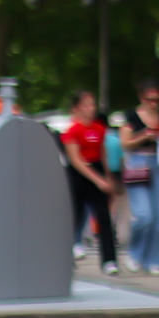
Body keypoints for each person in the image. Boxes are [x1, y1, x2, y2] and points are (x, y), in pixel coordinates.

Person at [58, 90, 120, 275]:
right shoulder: (72, 131)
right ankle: (64, 257)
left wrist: (107, 176)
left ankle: (109, 260)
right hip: (79, 174)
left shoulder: (99, 128)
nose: (90, 109)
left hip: (97, 168)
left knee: (103, 217)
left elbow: (102, 153)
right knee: (74, 217)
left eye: (92, 105)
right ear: (76, 108)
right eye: (86, 105)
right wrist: (97, 179)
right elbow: (76, 160)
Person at [117, 80, 159, 274]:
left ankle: (155, 260)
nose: (154, 103)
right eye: (149, 99)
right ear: (141, 98)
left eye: (157, 99)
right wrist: (145, 136)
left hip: (158, 164)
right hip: (138, 163)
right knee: (144, 216)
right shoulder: (131, 116)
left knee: (158, 218)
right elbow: (126, 143)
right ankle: (135, 254)